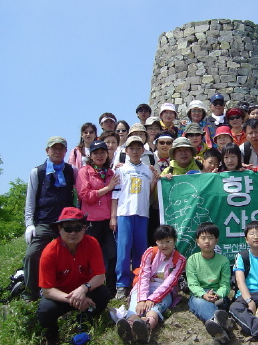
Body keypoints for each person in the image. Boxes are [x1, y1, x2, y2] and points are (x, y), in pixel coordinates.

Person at [37, 207, 111, 345]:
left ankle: (85, 324)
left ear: (84, 228)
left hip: (85, 291)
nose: (73, 233)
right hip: (61, 296)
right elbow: (47, 290)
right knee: (45, 310)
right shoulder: (49, 252)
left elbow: (100, 276)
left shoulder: (92, 243)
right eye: (68, 228)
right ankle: (52, 337)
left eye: (78, 228)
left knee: (104, 294)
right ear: (59, 229)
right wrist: (73, 299)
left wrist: (84, 289)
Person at [23, 136, 78, 301]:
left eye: (61, 148)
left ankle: (70, 291)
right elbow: (30, 200)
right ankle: (30, 294)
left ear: (65, 151)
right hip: (44, 222)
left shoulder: (72, 171)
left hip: (66, 224)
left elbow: (78, 196)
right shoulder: (37, 172)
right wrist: (29, 224)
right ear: (47, 151)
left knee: (71, 256)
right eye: (54, 148)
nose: (58, 151)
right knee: (32, 255)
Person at [116, 225, 186, 343]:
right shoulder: (150, 252)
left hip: (164, 292)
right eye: (160, 242)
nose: (164, 245)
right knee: (135, 308)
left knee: (154, 309)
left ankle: (146, 327)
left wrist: (153, 299)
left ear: (175, 240)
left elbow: (170, 282)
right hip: (143, 288)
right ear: (156, 242)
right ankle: (129, 329)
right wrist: (142, 299)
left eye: (168, 241)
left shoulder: (180, 260)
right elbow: (144, 275)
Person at [111, 135, 158, 300]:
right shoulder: (120, 169)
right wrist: (113, 217)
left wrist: (156, 179)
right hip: (124, 213)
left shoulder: (148, 170)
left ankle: (138, 283)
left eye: (138, 148)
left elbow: (150, 192)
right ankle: (122, 284)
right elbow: (115, 194)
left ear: (143, 150)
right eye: (132, 148)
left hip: (142, 214)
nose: (135, 151)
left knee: (141, 250)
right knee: (123, 250)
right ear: (126, 151)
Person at [76, 140, 120, 296]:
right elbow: (85, 196)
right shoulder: (84, 171)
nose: (99, 155)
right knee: (90, 257)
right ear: (91, 155)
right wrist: (107, 188)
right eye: (96, 153)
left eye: (102, 152)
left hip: (107, 221)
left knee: (112, 255)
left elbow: (116, 196)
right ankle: (88, 288)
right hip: (91, 222)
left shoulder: (110, 173)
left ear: (107, 154)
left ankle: (110, 290)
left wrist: (113, 218)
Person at [187, 222, 232, 344]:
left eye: (210, 238)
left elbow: (225, 285)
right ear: (197, 241)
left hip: (219, 296)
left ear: (216, 241)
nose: (207, 241)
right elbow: (192, 284)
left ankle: (219, 331)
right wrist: (203, 295)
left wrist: (217, 294)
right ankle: (221, 325)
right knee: (199, 302)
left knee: (220, 302)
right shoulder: (192, 260)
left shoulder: (223, 261)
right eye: (203, 238)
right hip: (199, 295)